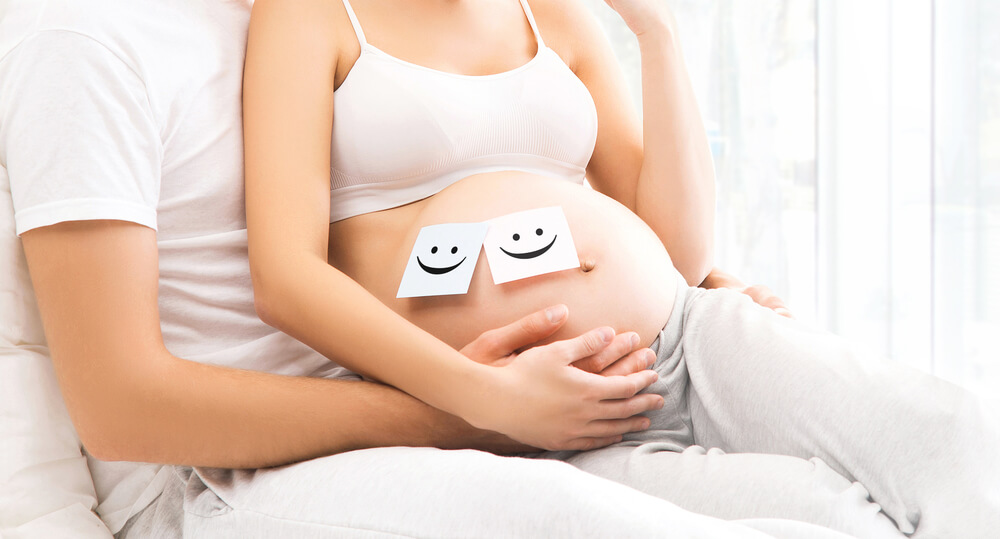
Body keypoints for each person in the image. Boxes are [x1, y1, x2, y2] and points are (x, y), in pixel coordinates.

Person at [0, 0, 846, 538]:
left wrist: (680, 280)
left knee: (824, 511)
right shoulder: (83, 39)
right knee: (579, 521)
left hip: (430, 399)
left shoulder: (274, 11)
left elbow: (455, 172)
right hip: (218, 479)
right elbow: (122, 407)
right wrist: (470, 411)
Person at [241, 0, 1000, 537]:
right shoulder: (309, 12)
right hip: (549, 424)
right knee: (833, 520)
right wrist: (484, 398)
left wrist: (657, 31)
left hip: (688, 335)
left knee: (949, 435)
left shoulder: (555, 14)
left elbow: (681, 248)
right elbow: (287, 277)